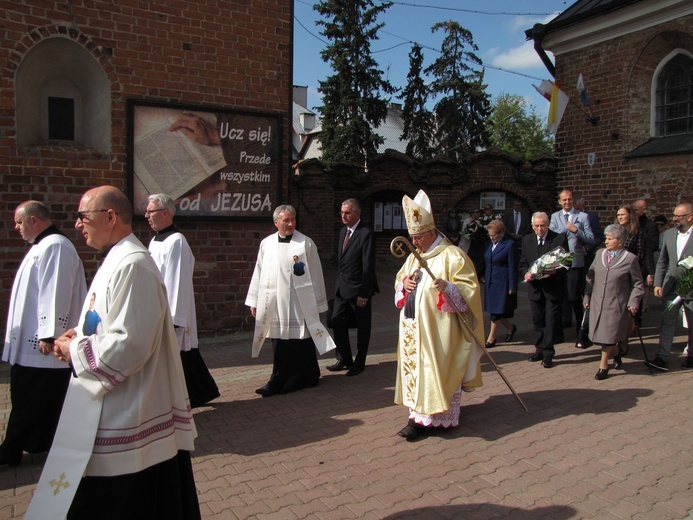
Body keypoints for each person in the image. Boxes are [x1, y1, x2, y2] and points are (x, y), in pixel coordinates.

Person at [28, 186, 199, 520]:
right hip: (120, 403)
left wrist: (73, 349)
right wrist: (80, 333)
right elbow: (111, 321)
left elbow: (129, 344)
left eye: (82, 216)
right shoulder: (118, 258)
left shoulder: (133, 264)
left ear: (110, 217)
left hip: (130, 414)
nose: (77, 225)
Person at [0, 201, 86, 467]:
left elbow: (55, 290)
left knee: (31, 396)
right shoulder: (43, 246)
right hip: (34, 346)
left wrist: (50, 334)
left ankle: (11, 449)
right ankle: (36, 444)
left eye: (19, 222)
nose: (16, 227)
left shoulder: (55, 246)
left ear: (34, 219)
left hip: (43, 347)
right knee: (35, 397)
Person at [394, 190, 484, 441]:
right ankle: (417, 418)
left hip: (440, 332)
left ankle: (437, 419)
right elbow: (399, 281)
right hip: (414, 329)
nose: (415, 242)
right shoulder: (414, 257)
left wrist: (451, 289)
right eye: (412, 237)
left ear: (432, 232)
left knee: (436, 372)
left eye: (419, 237)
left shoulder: (452, 255)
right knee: (417, 372)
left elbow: (471, 290)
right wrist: (405, 284)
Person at [246, 205, 336, 396]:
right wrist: (254, 301)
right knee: (280, 341)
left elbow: (316, 274)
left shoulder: (305, 243)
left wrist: (319, 304)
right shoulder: (266, 244)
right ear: (276, 222)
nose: (290, 224)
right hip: (275, 304)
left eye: (293, 220)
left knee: (301, 340)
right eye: (286, 220)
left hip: (298, 303)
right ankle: (279, 378)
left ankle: (307, 376)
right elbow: (259, 272)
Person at [146, 193, 219, 408]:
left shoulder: (176, 241)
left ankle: (186, 397)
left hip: (172, 311)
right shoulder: (155, 239)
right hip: (159, 307)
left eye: (151, 211)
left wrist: (174, 318)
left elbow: (176, 280)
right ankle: (197, 393)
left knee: (179, 354)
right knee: (181, 356)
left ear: (165, 212)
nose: (147, 216)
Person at [584, 224, 644, 380]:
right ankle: (616, 353)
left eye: (610, 239)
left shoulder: (630, 259)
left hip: (616, 305)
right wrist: (587, 296)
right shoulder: (599, 254)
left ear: (621, 241)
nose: (607, 241)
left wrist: (633, 302)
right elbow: (590, 276)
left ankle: (603, 366)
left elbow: (638, 284)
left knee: (607, 338)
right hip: (598, 302)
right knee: (600, 338)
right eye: (606, 238)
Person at [328, 198, 379, 376]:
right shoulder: (343, 231)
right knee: (336, 321)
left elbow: (368, 266)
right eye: (341, 212)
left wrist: (364, 293)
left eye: (347, 212)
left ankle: (360, 362)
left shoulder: (366, 234)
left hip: (359, 290)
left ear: (357, 214)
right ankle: (344, 358)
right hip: (342, 288)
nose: (343, 216)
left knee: (362, 327)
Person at [519, 212, 569, 368]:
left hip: (552, 287)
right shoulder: (527, 240)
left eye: (543, 225)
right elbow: (523, 263)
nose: (540, 229)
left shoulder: (559, 239)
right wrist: (526, 272)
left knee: (551, 321)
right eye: (537, 226)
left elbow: (567, 262)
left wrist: (555, 270)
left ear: (548, 225)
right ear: (533, 226)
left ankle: (548, 353)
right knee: (538, 320)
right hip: (535, 288)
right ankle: (539, 349)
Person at [651, 202, 693, 371]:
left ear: (690, 217)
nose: (674, 219)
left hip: (690, 287)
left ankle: (691, 356)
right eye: (674, 215)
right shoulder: (669, 234)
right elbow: (663, 261)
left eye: (678, 216)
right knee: (667, 321)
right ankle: (662, 357)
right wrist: (658, 283)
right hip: (670, 287)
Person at [549, 189, 595, 332]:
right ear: (559, 201)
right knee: (560, 295)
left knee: (574, 295)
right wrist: (564, 229)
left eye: (569, 199)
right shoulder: (555, 216)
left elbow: (591, 238)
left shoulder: (582, 216)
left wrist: (576, 230)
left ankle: (581, 327)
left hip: (575, 262)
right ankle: (563, 323)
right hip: (560, 261)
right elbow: (552, 237)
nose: (567, 202)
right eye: (564, 200)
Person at [482, 220, 518, 348]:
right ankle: (510, 327)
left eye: (494, 235)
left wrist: (512, 286)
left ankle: (491, 338)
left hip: (502, 283)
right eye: (490, 235)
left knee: (496, 312)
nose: (492, 237)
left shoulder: (509, 245)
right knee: (494, 309)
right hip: (490, 282)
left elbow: (513, 266)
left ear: (502, 233)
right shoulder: (488, 245)